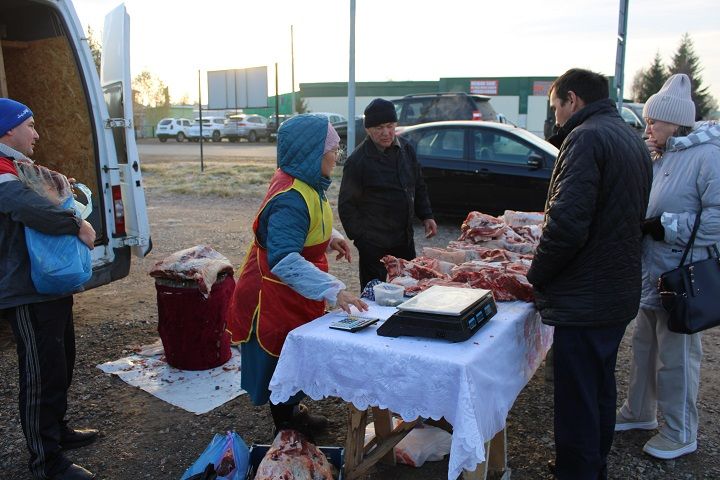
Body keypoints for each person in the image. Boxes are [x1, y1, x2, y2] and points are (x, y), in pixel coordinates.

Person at [526, 69, 652, 480]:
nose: (556, 117)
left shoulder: (585, 138)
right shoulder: (630, 138)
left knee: (577, 397)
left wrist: (537, 274)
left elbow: (566, 225)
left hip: (587, 295)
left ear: (572, 100)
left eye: (556, 106)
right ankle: (592, 464)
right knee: (598, 386)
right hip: (616, 290)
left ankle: (576, 471)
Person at [226, 114, 367, 435]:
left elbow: (308, 224)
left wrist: (332, 237)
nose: (336, 156)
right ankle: (286, 427)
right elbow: (284, 259)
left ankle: (293, 412)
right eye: (332, 149)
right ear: (312, 153)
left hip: (293, 292)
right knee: (280, 361)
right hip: (273, 294)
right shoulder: (290, 197)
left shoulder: (306, 182)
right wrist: (335, 290)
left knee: (295, 356)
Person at [615, 74, 720, 460]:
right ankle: (639, 412)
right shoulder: (663, 154)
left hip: (683, 277)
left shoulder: (708, 156)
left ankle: (680, 431)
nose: (648, 127)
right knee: (644, 347)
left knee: (676, 357)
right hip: (652, 271)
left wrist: (666, 226)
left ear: (676, 122)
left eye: (654, 121)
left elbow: (717, 219)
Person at [0, 98, 98, 480]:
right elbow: (29, 207)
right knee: (40, 372)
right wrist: (77, 224)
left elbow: (37, 195)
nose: (36, 133)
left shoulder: (15, 166)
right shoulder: (2, 171)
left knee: (60, 362)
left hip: (45, 282)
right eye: (30, 125)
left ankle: (57, 432)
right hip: (24, 287)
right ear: (8, 129)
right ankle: (46, 462)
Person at [338, 98, 437, 290]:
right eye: (379, 127)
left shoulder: (406, 149)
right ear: (368, 129)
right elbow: (346, 205)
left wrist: (426, 215)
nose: (385, 132)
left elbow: (417, 184)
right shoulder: (358, 161)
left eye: (390, 126)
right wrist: (362, 240)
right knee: (375, 297)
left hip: (404, 241)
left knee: (409, 292)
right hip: (374, 246)